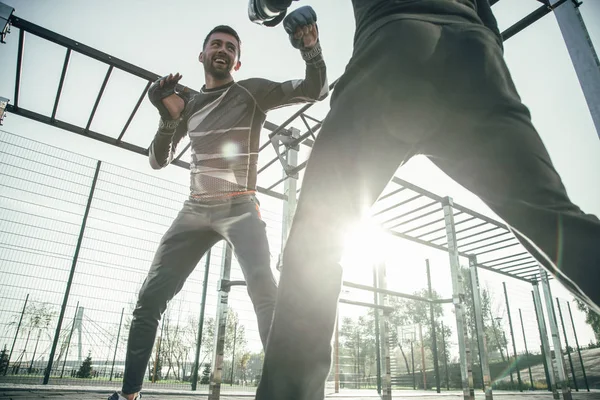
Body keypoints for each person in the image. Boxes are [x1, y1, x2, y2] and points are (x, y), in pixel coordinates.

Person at [248, 0, 600, 398]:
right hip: (477, 56)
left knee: (316, 242)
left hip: (395, 46)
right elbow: (488, 19)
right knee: (555, 218)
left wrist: (263, 9)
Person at [108, 11, 328, 400]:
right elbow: (158, 160)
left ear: (238, 61)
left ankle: (287, 394)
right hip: (194, 211)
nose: (222, 50)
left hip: (240, 207)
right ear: (202, 55)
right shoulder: (188, 104)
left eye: (230, 47)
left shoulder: (252, 92)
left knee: (265, 293)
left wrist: (311, 49)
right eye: (216, 44)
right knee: (149, 300)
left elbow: (314, 89)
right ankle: (128, 395)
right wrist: (165, 116)